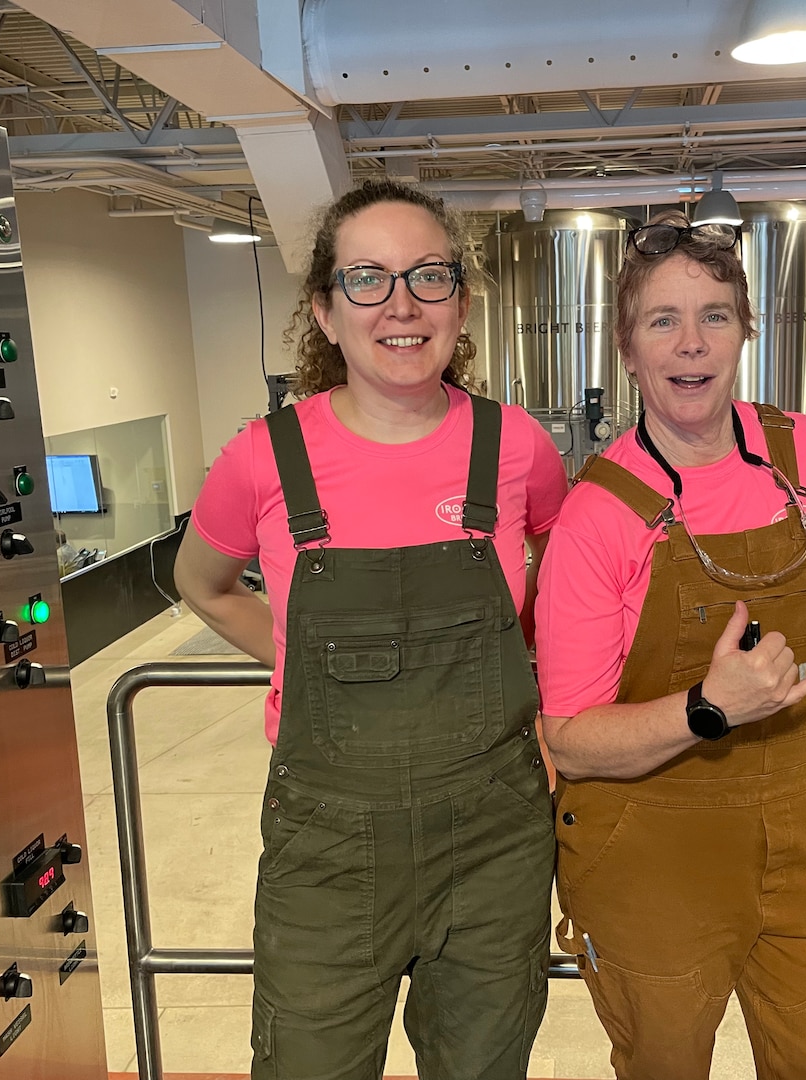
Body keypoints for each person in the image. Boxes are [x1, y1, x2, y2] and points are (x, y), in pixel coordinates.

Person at [535, 209, 806, 1080]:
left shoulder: (802, 451)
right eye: (663, 321)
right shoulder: (598, 516)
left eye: (714, 316)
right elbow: (569, 737)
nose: (691, 343)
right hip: (655, 849)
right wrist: (708, 709)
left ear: (743, 332)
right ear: (628, 348)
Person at [173, 179, 568, 1080]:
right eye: (368, 279)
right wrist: (297, 656)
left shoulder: (516, 448)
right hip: (327, 846)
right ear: (324, 308)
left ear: (460, 305)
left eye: (428, 277)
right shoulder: (262, 457)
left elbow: (567, 575)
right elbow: (203, 583)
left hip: (495, 839)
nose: (401, 305)